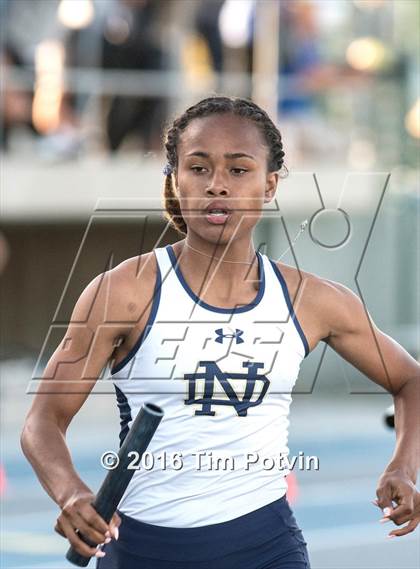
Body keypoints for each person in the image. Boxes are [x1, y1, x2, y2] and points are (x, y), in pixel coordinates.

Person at [21, 96, 419, 568]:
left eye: (238, 170)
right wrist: (70, 493)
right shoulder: (124, 291)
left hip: (266, 548)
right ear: (174, 179)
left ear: (269, 184)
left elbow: (409, 380)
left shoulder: (311, 300)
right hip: (143, 552)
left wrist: (404, 467)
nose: (216, 186)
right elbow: (42, 421)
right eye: (198, 167)